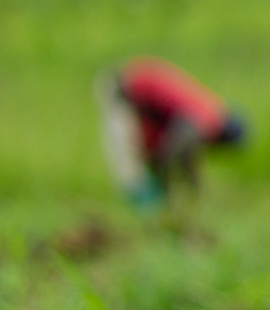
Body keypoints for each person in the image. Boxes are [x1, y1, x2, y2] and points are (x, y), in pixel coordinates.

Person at [96, 57, 246, 204]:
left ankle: (154, 205)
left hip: (139, 94)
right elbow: (181, 147)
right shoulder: (208, 121)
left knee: (140, 158)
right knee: (129, 166)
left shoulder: (207, 107)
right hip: (123, 90)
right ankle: (146, 206)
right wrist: (183, 180)